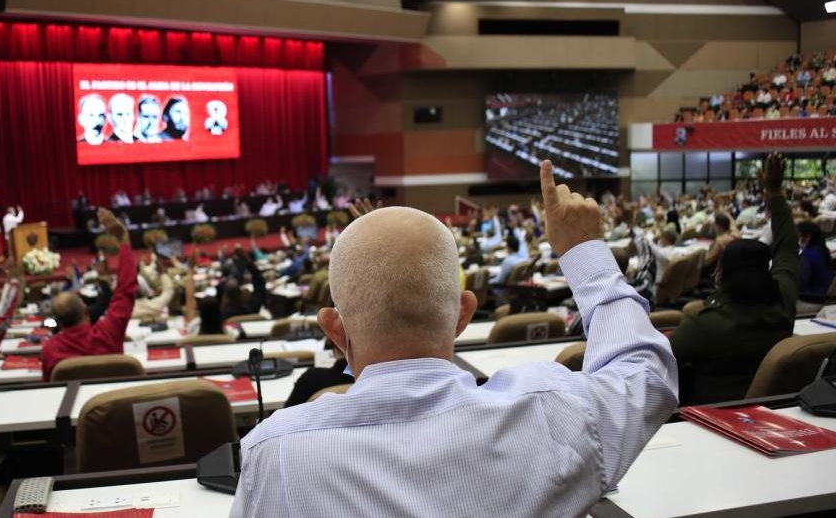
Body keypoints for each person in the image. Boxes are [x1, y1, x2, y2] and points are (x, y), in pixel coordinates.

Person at [231, 161, 678, 516]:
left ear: (333, 329)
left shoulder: (277, 454)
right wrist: (584, 251)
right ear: (464, 314)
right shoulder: (553, 410)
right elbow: (648, 374)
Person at [669, 153, 799, 405]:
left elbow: (653, 365)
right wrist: (775, 192)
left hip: (703, 422)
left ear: (720, 276)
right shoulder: (784, 304)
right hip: (772, 413)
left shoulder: (703, 326)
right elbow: (788, 248)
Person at [41, 208, 136, 381]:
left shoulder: (50, 349)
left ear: (58, 322)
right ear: (85, 311)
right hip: (113, 404)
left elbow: (48, 390)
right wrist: (124, 239)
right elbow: (126, 291)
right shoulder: (108, 333)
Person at [797, 220, 834, 296]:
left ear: (807, 237)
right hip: (825, 290)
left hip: (813, 296)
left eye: (798, 235)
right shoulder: (822, 249)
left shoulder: (807, 256)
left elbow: (800, 282)